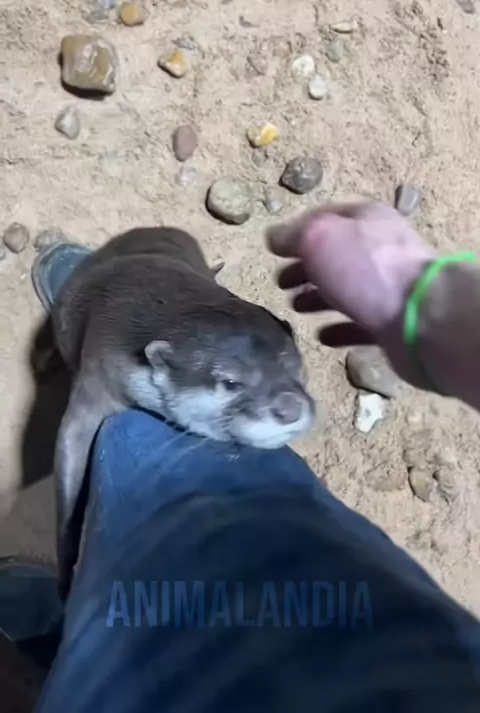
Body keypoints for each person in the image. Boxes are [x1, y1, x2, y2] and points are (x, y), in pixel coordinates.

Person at [2, 201, 480, 711]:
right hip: (428, 660)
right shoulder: (153, 362)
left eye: (289, 371)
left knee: (139, 448)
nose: (291, 404)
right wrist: (425, 304)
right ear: (160, 366)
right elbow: (75, 434)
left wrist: (424, 297)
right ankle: (88, 627)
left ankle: (82, 624)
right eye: (232, 384)